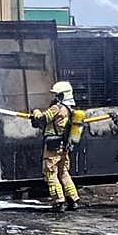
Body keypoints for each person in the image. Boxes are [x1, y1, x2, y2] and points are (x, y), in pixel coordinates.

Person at [30, 81, 80, 211]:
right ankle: (73, 199)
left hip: (53, 147)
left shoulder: (57, 108)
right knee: (63, 173)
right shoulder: (70, 109)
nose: (54, 98)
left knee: (51, 173)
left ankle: (59, 201)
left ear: (62, 96)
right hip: (64, 146)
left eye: (57, 95)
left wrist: (35, 112)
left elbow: (42, 119)